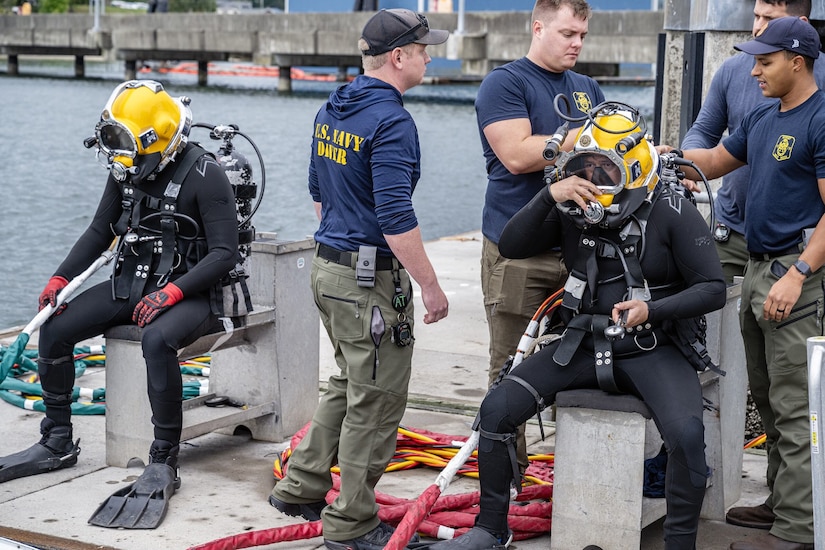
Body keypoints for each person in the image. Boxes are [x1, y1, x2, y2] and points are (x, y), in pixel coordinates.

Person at [431, 104, 726, 550]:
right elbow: (511, 244)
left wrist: (653, 310)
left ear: (634, 169)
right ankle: (491, 528)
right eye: (583, 168)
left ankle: (679, 542)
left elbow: (713, 289)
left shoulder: (671, 210)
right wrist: (551, 195)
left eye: (604, 171)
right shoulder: (572, 206)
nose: (592, 180)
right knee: (495, 409)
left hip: (651, 348)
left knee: (687, 435)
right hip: (581, 343)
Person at [0, 80, 239, 530]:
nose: (121, 160)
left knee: (156, 339)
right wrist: (61, 276)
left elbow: (225, 254)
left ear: (160, 140)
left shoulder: (206, 174)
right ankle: (57, 442)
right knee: (55, 328)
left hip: (193, 293)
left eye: (128, 146)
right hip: (131, 284)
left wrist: (173, 292)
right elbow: (99, 230)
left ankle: (164, 458)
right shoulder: (126, 168)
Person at [267, 9, 450, 550]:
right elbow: (395, 215)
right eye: (422, 49)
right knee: (378, 400)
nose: (428, 57)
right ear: (399, 57)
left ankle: (300, 486)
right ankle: (352, 525)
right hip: (368, 283)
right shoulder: (393, 122)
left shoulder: (333, 107)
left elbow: (318, 191)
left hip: (329, 271)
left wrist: (343, 238)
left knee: (348, 382)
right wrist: (431, 286)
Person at [675, 16, 825, 550]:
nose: (754, 70)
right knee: (767, 394)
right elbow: (712, 161)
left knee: (795, 402)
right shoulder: (764, 115)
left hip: (796, 275)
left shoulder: (821, 118)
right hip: (760, 267)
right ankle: (783, 502)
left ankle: (801, 529)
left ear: (797, 62)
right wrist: (656, 157)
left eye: (765, 61)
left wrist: (800, 273)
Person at [475, 0, 604, 476]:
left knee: (579, 364)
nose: (577, 43)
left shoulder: (588, 87)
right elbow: (515, 153)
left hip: (579, 253)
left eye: (582, 36)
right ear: (538, 27)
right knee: (508, 372)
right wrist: (583, 138)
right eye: (568, 33)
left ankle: (573, 479)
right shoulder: (505, 83)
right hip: (518, 254)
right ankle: (503, 487)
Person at [681, 0, 825, 286]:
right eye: (756, 16)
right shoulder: (755, 108)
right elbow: (709, 153)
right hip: (732, 230)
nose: (758, 27)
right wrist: (670, 159)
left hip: (797, 248)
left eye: (770, 20)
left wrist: (799, 272)